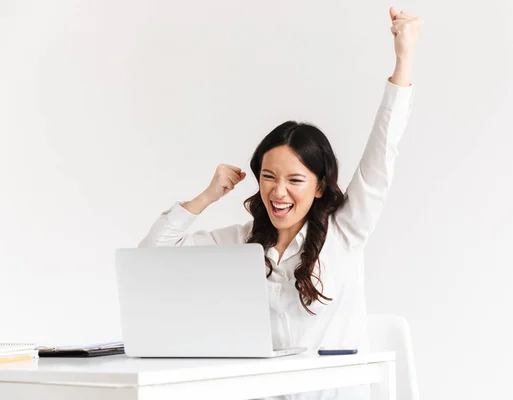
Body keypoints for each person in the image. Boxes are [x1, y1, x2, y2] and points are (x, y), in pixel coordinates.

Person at [139, 7, 422, 400]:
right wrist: (205, 197)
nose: (278, 192)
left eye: (294, 180)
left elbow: (382, 152)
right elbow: (151, 257)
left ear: (320, 186)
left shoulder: (346, 230)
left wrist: (403, 61)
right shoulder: (241, 244)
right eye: (269, 177)